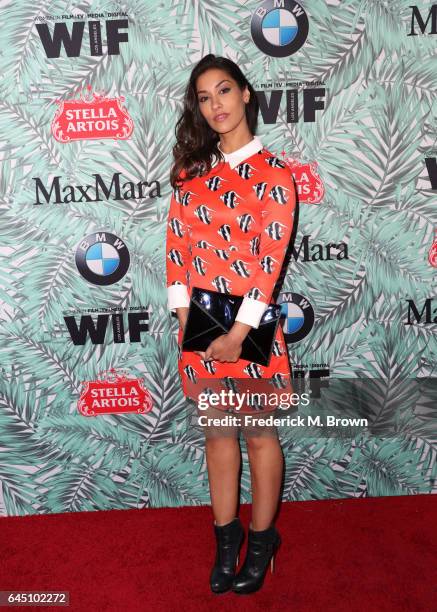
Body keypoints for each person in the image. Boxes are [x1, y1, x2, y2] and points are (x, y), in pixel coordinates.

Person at [165, 54, 296, 594]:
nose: (215, 104)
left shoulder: (275, 175)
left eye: (224, 91)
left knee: (260, 438)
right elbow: (177, 249)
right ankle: (226, 542)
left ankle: (262, 544)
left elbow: (269, 262)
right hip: (200, 327)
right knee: (218, 437)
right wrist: (189, 327)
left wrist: (236, 335)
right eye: (204, 96)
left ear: (245, 94)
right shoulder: (190, 173)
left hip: (252, 326)